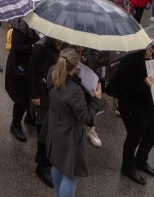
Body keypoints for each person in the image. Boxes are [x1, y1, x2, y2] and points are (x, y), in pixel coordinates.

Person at [40, 47, 104, 197]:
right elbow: (87, 118)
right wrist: (97, 100)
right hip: (70, 135)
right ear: (76, 66)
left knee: (57, 164)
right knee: (72, 176)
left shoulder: (52, 71)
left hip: (55, 127)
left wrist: (73, 74)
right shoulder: (75, 91)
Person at [113, 46, 154, 185]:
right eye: (149, 49)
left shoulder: (151, 60)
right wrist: (142, 83)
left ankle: (141, 161)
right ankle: (127, 166)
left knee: (152, 136)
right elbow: (121, 88)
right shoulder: (129, 62)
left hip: (148, 104)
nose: (152, 51)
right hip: (131, 105)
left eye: (153, 48)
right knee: (134, 136)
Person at [28, 36, 63, 187]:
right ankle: (41, 167)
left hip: (53, 91)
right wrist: (34, 94)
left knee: (51, 127)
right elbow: (31, 71)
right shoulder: (41, 47)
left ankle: (43, 157)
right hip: (42, 94)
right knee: (44, 127)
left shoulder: (61, 45)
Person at [5, 17, 39, 143]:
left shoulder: (35, 23)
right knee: (22, 98)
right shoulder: (20, 26)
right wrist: (33, 46)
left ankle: (29, 117)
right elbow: (15, 47)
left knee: (31, 92)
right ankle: (15, 125)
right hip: (19, 68)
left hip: (29, 66)